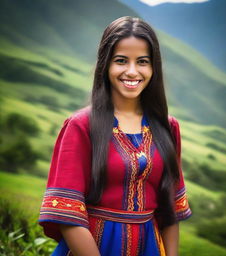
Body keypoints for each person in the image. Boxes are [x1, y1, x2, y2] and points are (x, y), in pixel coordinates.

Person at [39, 16, 192, 256]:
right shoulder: (80, 126)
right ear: (105, 65)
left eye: (142, 61)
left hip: (149, 247)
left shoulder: (168, 127)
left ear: (154, 68)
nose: (132, 71)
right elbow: (68, 214)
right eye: (121, 61)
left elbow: (169, 210)